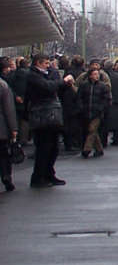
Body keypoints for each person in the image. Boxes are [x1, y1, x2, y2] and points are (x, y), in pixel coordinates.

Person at [25, 52, 70, 187]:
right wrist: (62, 82)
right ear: (38, 63)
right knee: (43, 147)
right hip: (41, 115)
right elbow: (48, 87)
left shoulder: (47, 74)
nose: (48, 66)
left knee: (53, 147)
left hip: (51, 114)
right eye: (46, 63)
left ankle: (49, 174)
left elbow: (53, 84)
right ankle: (38, 177)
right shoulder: (32, 76)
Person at [77, 64, 112, 158]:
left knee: (92, 129)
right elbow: (79, 97)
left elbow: (107, 99)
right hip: (86, 111)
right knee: (93, 131)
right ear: (90, 75)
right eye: (95, 74)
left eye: (98, 74)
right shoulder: (84, 85)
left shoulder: (103, 86)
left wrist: (101, 108)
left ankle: (86, 149)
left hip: (98, 112)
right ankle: (99, 149)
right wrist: (81, 107)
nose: (97, 76)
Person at [0, 59, 17, 192]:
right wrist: (13, 129)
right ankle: (6, 176)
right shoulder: (3, 85)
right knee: (3, 154)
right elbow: (9, 109)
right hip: (1, 127)